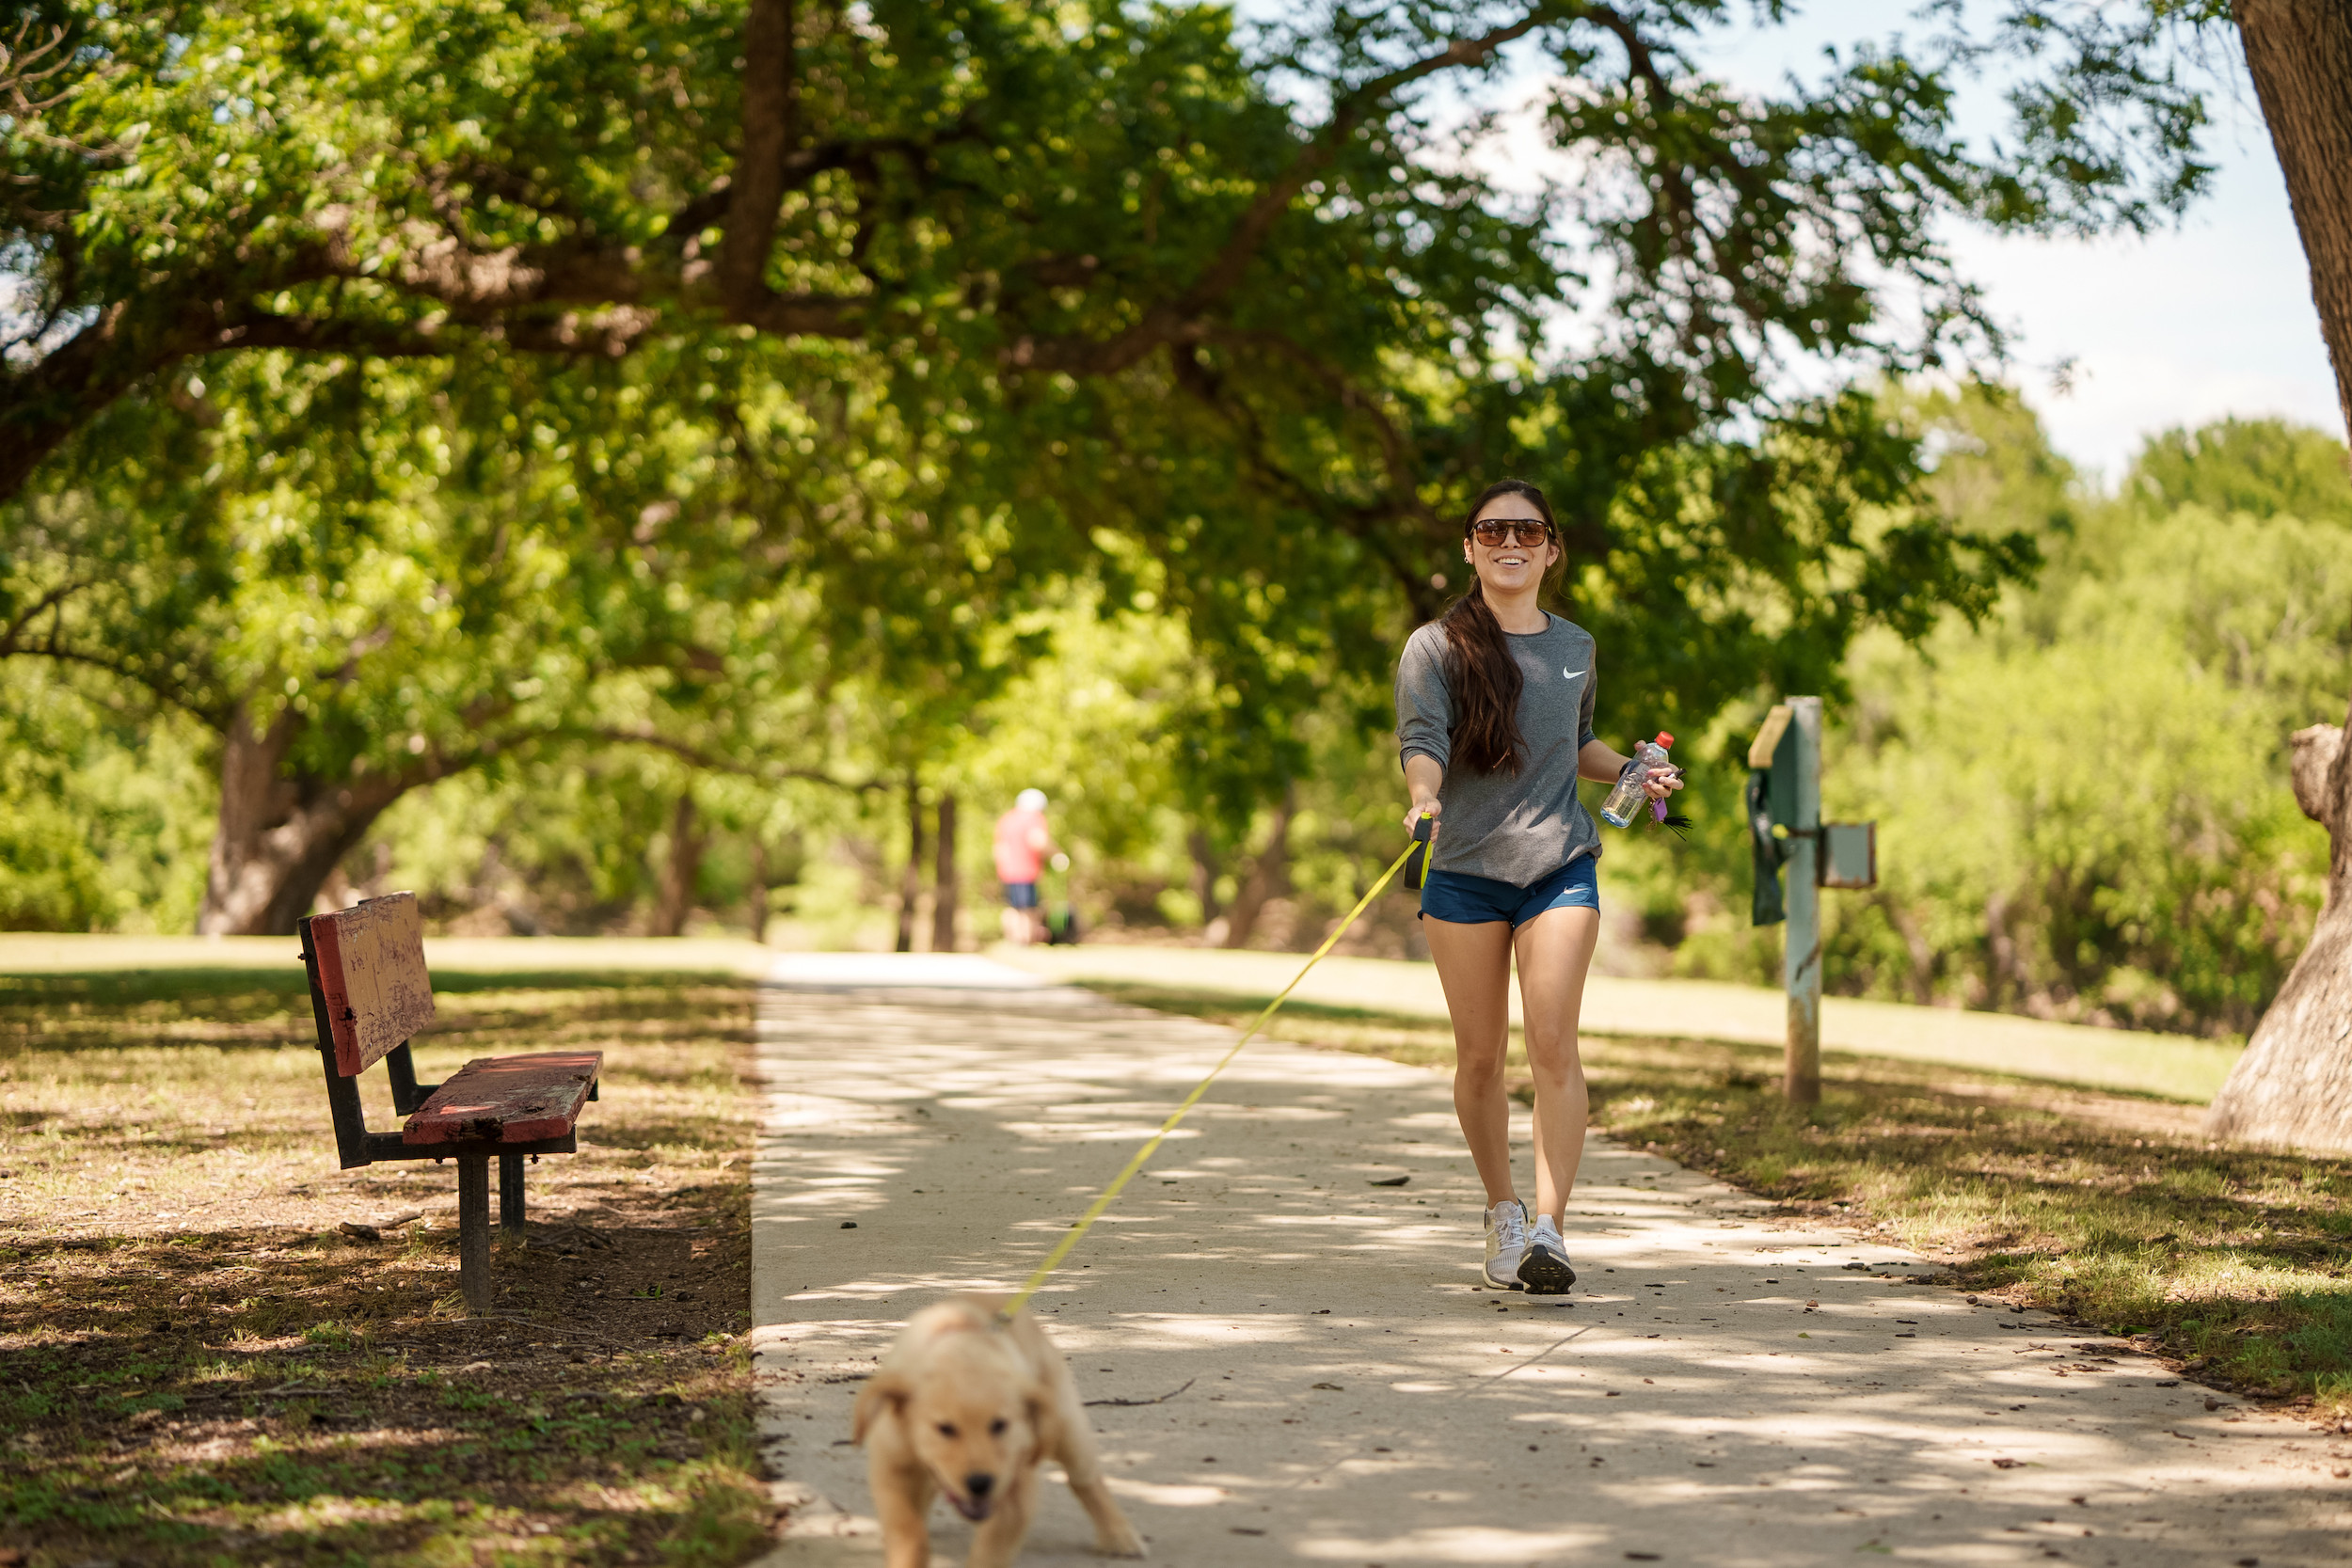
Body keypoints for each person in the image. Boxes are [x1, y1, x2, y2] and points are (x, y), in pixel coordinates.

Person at [1394, 479, 1683, 1294]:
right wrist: (1424, 796)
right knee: (1481, 1058)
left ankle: (1551, 1230)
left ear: (1552, 548)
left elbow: (1578, 744)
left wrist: (1633, 771)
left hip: (1559, 865)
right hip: (1462, 873)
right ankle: (1504, 1212)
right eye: (1492, 531)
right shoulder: (1435, 646)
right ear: (1469, 547)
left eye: (1527, 530)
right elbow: (1423, 741)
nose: (1509, 542)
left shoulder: (1576, 646)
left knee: (1554, 1043)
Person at [993, 788, 1058, 945]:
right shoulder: (1033, 818)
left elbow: (998, 848)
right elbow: (1038, 840)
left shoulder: (1007, 819)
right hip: (1026, 871)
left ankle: (1014, 941)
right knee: (1029, 909)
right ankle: (1026, 942)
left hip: (1007, 872)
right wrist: (1056, 854)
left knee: (1012, 908)